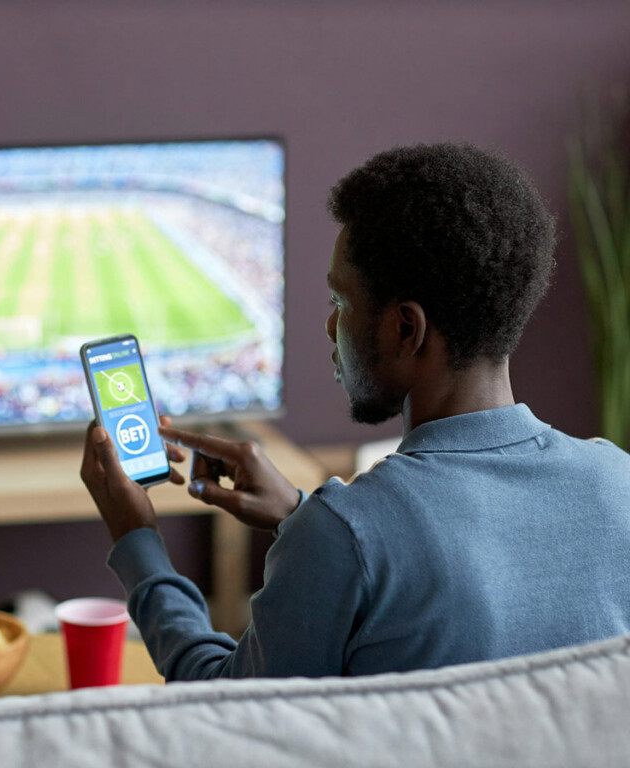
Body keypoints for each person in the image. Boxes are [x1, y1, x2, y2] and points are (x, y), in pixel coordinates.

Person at [80, 142, 630, 681]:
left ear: (405, 329)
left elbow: (221, 715)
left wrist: (137, 540)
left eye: (339, 303)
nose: (329, 327)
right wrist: (299, 518)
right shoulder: (618, 482)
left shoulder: (343, 535)